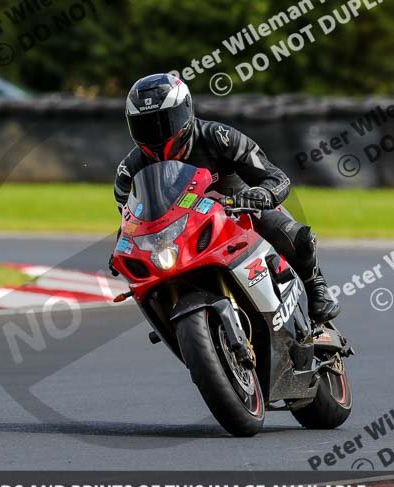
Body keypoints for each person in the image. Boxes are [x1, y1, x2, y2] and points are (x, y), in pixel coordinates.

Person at [110, 73, 340, 323]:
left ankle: (316, 285)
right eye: (145, 126)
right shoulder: (129, 170)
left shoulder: (220, 137)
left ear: (185, 112)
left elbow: (277, 177)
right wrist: (125, 244)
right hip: (182, 232)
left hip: (238, 211)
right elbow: (131, 219)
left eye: (163, 122)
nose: (155, 133)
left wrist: (261, 194)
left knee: (295, 234)